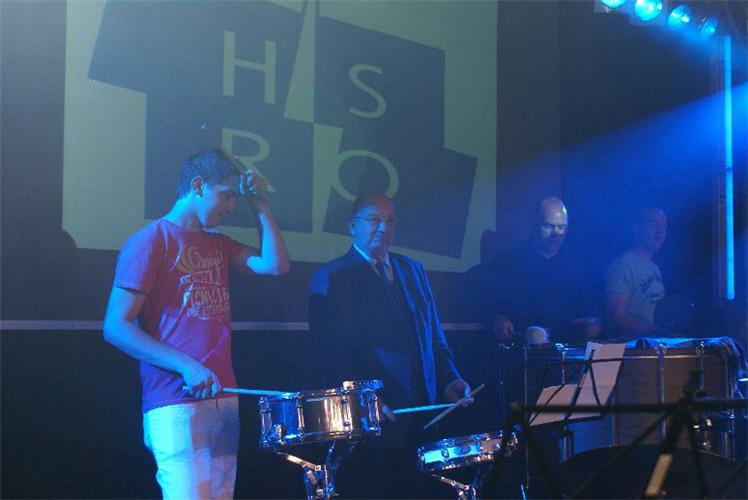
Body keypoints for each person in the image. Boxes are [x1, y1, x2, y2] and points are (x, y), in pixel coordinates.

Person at [103, 149, 290, 499]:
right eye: (227, 195)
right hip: (175, 401)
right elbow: (116, 326)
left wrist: (260, 204)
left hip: (224, 397)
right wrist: (187, 366)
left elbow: (274, 265)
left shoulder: (218, 243)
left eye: (235, 198)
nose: (231, 207)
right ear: (199, 185)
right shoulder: (151, 240)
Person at [308, 194, 471, 497]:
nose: (383, 228)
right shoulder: (332, 276)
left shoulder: (413, 270)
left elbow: (433, 336)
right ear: (352, 226)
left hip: (424, 420)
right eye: (374, 220)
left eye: (390, 221)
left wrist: (450, 379)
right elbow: (330, 356)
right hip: (373, 426)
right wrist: (367, 400)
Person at [475, 196, 601, 345]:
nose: (556, 233)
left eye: (561, 227)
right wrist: (496, 318)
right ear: (534, 226)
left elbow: (586, 311)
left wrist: (591, 324)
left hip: (564, 349)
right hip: (520, 348)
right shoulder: (509, 262)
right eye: (548, 226)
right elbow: (484, 300)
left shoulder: (576, 267)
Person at [605, 206, 667, 339]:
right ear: (637, 228)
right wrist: (654, 330)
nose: (660, 232)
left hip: (650, 345)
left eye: (664, 226)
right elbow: (616, 316)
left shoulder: (655, 269)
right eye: (653, 224)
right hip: (629, 348)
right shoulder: (625, 264)